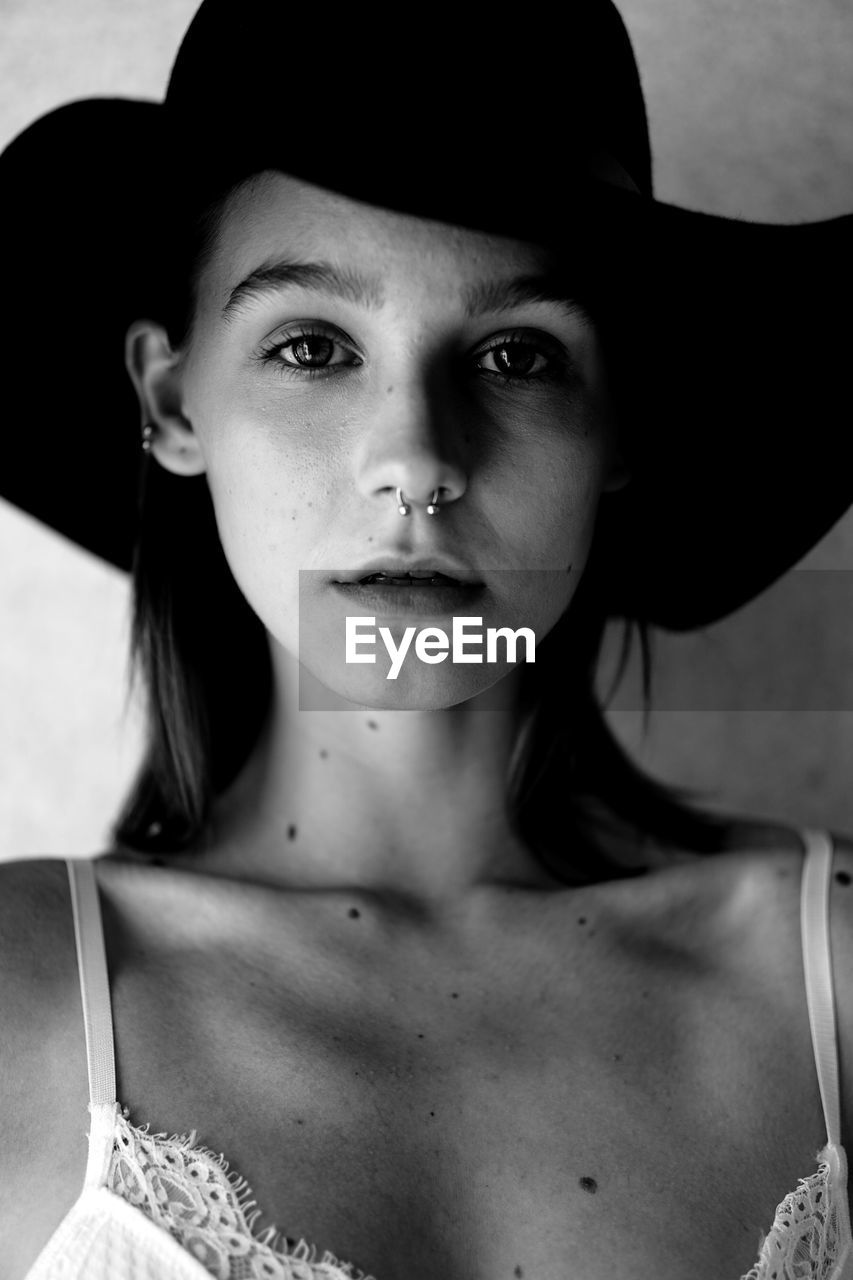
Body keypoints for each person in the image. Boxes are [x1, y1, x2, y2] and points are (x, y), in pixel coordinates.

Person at [1, 3, 852, 1278]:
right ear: (173, 401)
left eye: (515, 354)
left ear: (618, 428)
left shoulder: (834, 982)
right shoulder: (16, 1002)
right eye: (312, 345)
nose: (417, 461)